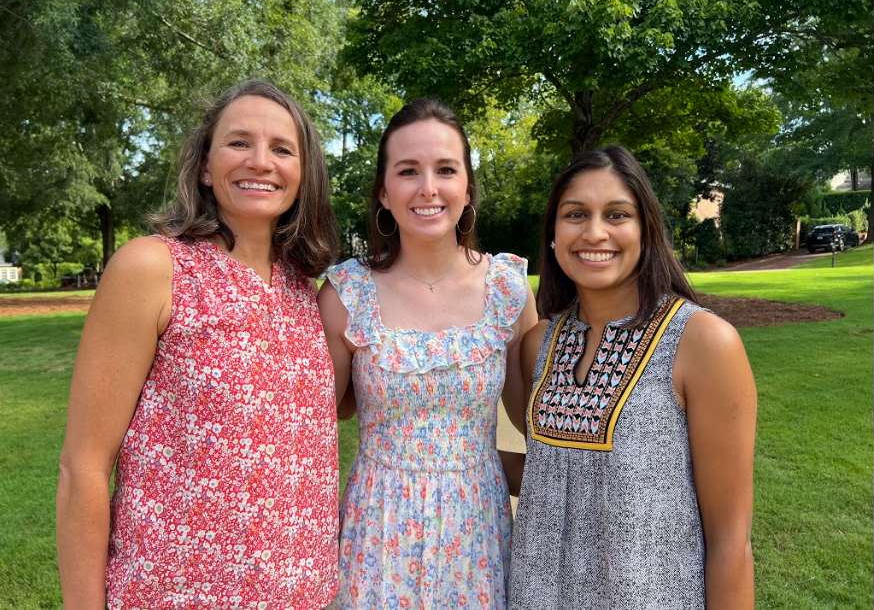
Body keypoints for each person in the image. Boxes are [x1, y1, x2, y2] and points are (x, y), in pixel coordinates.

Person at [56, 80, 341, 610]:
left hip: (305, 593)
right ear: (206, 166)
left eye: (282, 149)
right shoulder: (153, 267)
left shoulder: (304, 289)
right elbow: (84, 467)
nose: (261, 161)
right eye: (239, 143)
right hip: (175, 594)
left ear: (303, 176)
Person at [506, 146, 757, 610]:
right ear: (553, 235)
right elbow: (552, 471)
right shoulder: (538, 346)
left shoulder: (703, 343)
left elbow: (730, 541)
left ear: (646, 230)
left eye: (617, 214)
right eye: (575, 213)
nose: (594, 232)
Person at [318, 99, 537, 609]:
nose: (428, 188)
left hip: (477, 531)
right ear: (384, 191)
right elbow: (322, 415)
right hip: (378, 532)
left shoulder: (507, 288)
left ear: (467, 187)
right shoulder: (347, 293)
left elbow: (534, 422)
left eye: (445, 169)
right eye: (408, 171)